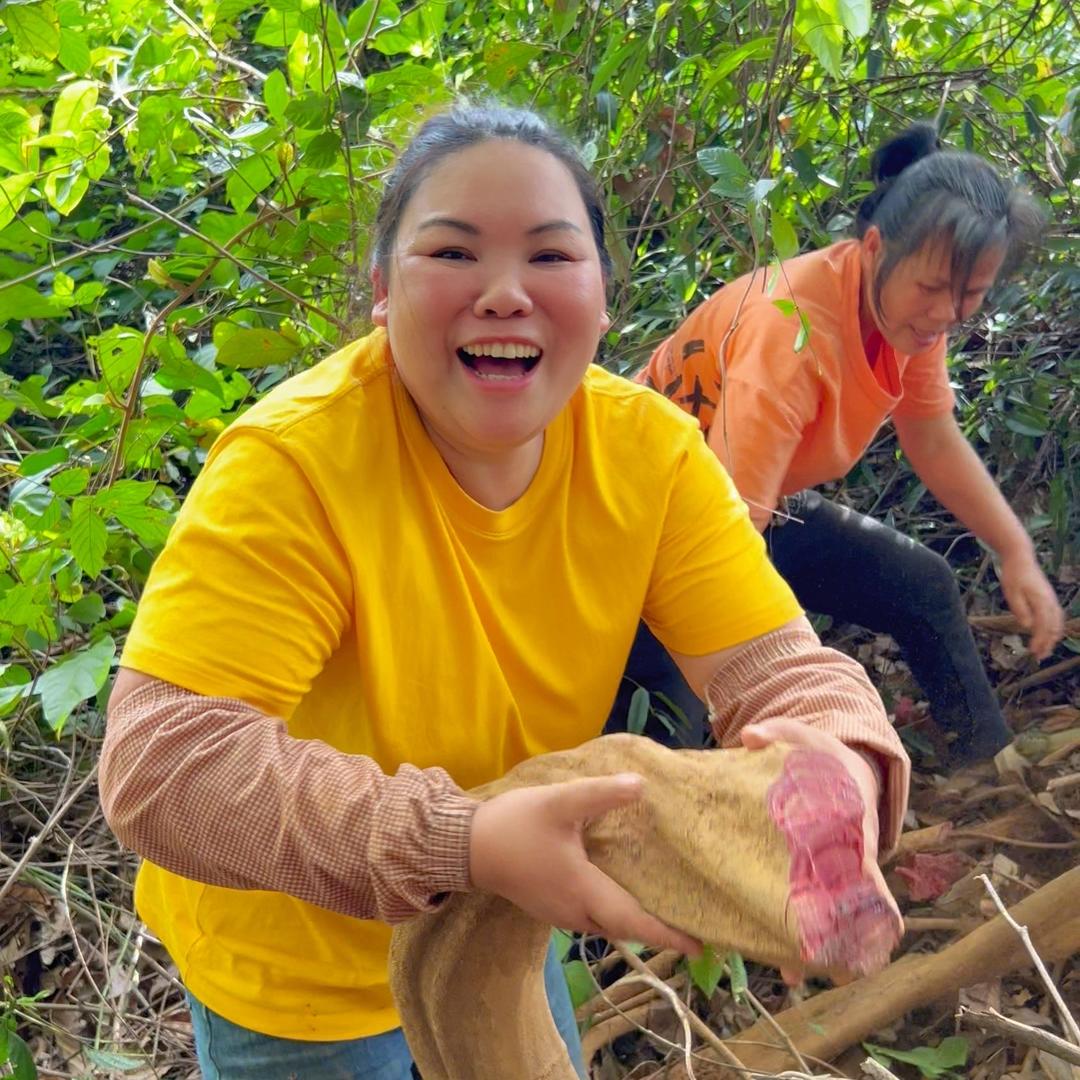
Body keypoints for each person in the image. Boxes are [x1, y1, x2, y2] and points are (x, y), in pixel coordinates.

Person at [99, 103, 909, 1080]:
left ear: (605, 298)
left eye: (551, 257)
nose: (503, 294)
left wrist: (842, 765)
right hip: (294, 979)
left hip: (504, 924)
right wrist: (461, 840)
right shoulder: (295, 465)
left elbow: (779, 670)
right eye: (450, 254)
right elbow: (165, 762)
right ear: (382, 294)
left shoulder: (647, 455)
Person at [635, 122, 1066, 765]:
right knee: (675, 711)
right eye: (933, 290)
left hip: (748, 506)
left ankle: (989, 769)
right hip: (653, 523)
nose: (947, 313)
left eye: (969, 296)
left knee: (922, 585)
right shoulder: (792, 334)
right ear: (872, 249)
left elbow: (933, 436)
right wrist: (794, 682)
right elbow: (724, 537)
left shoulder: (912, 317)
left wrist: (1014, 550)